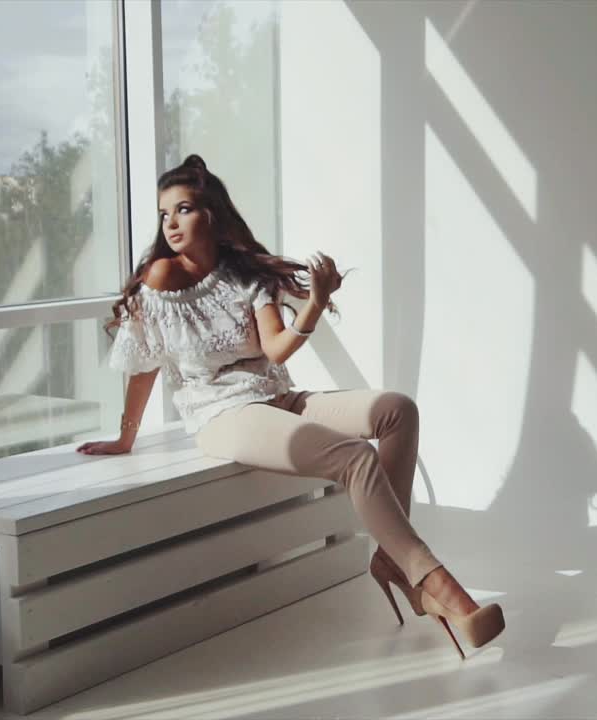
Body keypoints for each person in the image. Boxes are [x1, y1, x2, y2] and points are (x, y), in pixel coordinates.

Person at [76, 155, 504, 657]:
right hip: (222, 415)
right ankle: (438, 585)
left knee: (398, 410)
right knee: (355, 457)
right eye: (163, 213)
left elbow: (275, 348)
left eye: (183, 209)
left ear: (209, 215)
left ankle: (393, 558)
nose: (169, 223)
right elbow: (143, 362)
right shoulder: (160, 278)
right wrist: (126, 436)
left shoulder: (242, 275)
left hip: (277, 397)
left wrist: (316, 301)